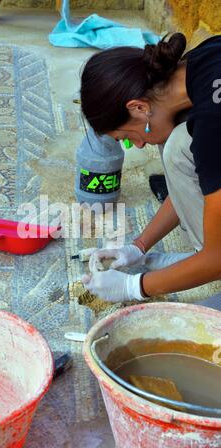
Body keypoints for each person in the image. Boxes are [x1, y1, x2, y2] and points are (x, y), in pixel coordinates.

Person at [79, 32, 221, 303]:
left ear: (139, 107)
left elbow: (218, 259)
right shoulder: (204, 58)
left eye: (128, 138)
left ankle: (200, 260)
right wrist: (138, 247)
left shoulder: (213, 125)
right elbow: (208, 180)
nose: (139, 145)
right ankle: (200, 257)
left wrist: (134, 286)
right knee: (180, 143)